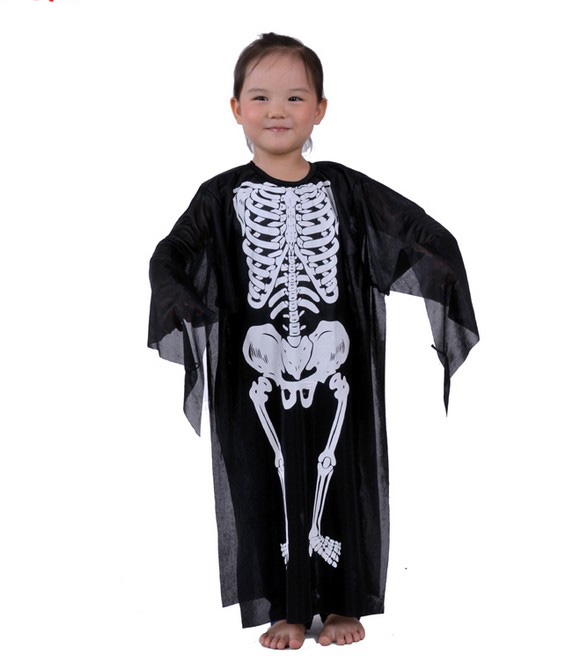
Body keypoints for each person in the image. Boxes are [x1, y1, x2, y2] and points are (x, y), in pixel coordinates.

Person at [147, 32, 479, 650]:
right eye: (261, 97)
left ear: (320, 109)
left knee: (345, 471)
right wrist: (176, 294)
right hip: (256, 367)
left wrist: (443, 262)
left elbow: (413, 230)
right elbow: (172, 252)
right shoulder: (220, 196)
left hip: (334, 361)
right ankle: (286, 609)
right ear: (236, 108)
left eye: (295, 97)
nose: (278, 110)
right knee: (260, 480)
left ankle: (344, 603)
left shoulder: (346, 189)